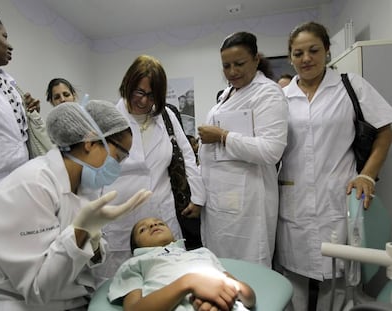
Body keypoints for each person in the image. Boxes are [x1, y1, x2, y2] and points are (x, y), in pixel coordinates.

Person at [0, 100, 152, 310]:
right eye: (119, 156)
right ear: (90, 142)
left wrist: (93, 241)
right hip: (18, 303)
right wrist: (81, 231)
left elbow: (89, 259)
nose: (119, 165)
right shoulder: (33, 186)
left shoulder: (84, 186)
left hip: (68, 298)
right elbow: (38, 290)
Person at [276, 21, 392, 311]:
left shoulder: (349, 85)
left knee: (341, 283)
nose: (306, 59)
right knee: (293, 282)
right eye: (298, 53)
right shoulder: (281, 97)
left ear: (327, 51)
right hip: (293, 201)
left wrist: (368, 175)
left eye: (313, 50)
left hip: (338, 196)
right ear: (290, 57)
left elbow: (386, 129)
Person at [98, 55, 205, 277]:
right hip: (119, 215)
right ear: (127, 85)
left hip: (160, 211)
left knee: (168, 279)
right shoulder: (108, 118)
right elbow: (93, 168)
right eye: (139, 92)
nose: (145, 101)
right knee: (119, 284)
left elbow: (185, 154)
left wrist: (197, 196)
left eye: (152, 95)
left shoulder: (165, 116)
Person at [197, 31, 288, 268]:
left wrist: (222, 136)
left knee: (249, 267)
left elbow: (271, 151)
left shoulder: (267, 93)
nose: (232, 72)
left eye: (239, 64)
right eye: (226, 66)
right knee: (222, 267)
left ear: (256, 59)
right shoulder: (229, 93)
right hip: (221, 199)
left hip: (248, 202)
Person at [108, 217, 256, 311]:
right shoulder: (135, 263)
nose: (153, 224)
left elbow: (249, 297)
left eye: (160, 223)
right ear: (137, 247)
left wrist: (228, 292)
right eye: (143, 229)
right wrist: (189, 282)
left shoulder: (202, 253)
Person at [0, 10, 40, 207]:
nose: (10, 45)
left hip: (18, 186)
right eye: (4, 36)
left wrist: (28, 113)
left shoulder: (7, 82)